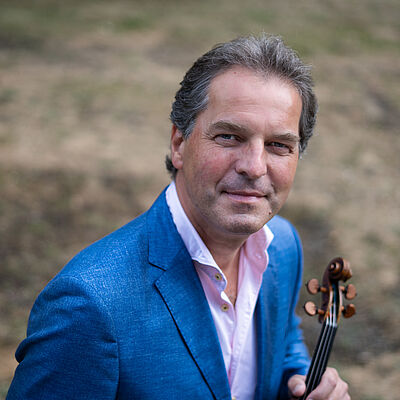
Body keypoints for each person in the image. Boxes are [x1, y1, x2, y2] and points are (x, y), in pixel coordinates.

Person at [7, 34, 350, 399]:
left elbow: (282, 344)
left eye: (279, 145)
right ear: (178, 143)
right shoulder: (89, 306)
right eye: (229, 136)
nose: (254, 167)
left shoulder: (282, 246)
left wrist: (302, 381)